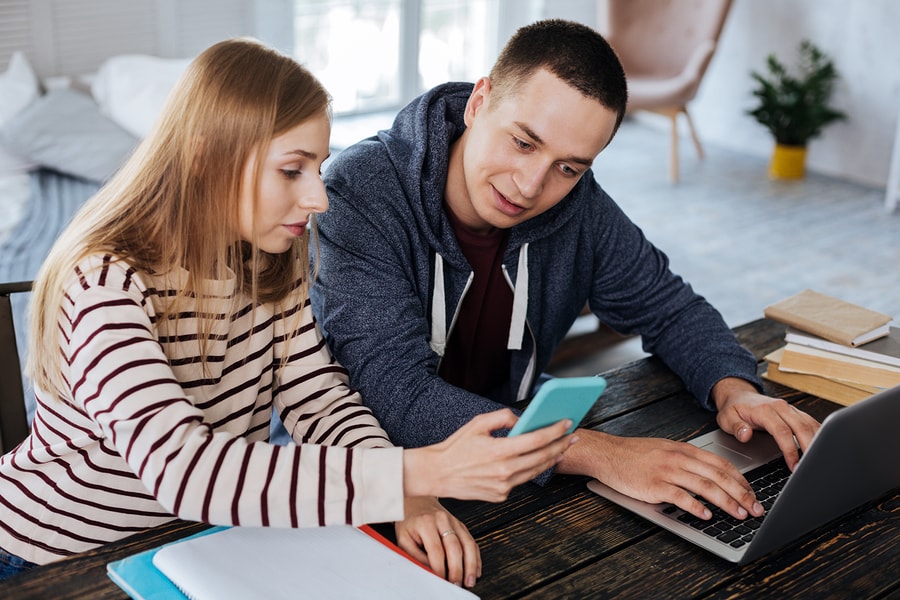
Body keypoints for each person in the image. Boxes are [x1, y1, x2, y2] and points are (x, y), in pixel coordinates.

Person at [0, 38, 578, 585]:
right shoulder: (105, 281)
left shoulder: (265, 263)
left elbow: (319, 400)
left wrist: (403, 493)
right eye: (291, 169)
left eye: (318, 167)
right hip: (48, 562)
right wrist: (421, 471)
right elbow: (182, 469)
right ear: (206, 158)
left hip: (188, 546)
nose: (318, 197)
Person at [309, 18, 821, 527]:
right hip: (372, 483)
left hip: (510, 469)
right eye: (523, 143)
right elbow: (396, 396)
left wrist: (733, 388)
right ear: (479, 102)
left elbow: (670, 308)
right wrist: (598, 453)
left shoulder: (579, 207)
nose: (531, 186)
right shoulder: (363, 190)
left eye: (569, 167)